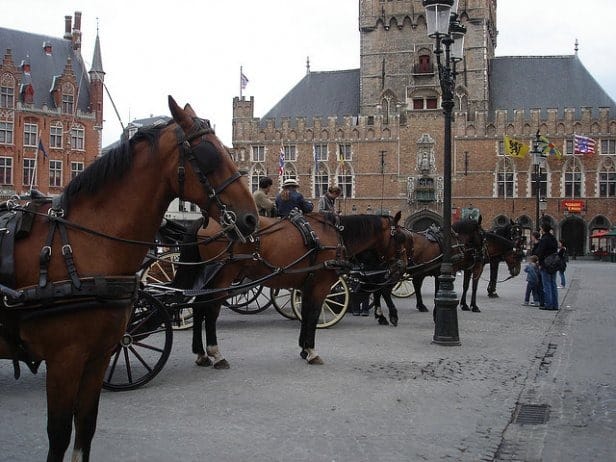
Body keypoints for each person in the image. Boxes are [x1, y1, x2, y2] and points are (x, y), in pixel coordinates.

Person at [534, 222, 559, 311]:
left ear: (543, 230)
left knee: (547, 285)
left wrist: (539, 263)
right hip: (554, 264)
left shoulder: (544, 239)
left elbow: (540, 252)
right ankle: (555, 305)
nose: (540, 230)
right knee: (553, 284)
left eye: (541, 229)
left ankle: (548, 304)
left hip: (546, 264)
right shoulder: (553, 238)